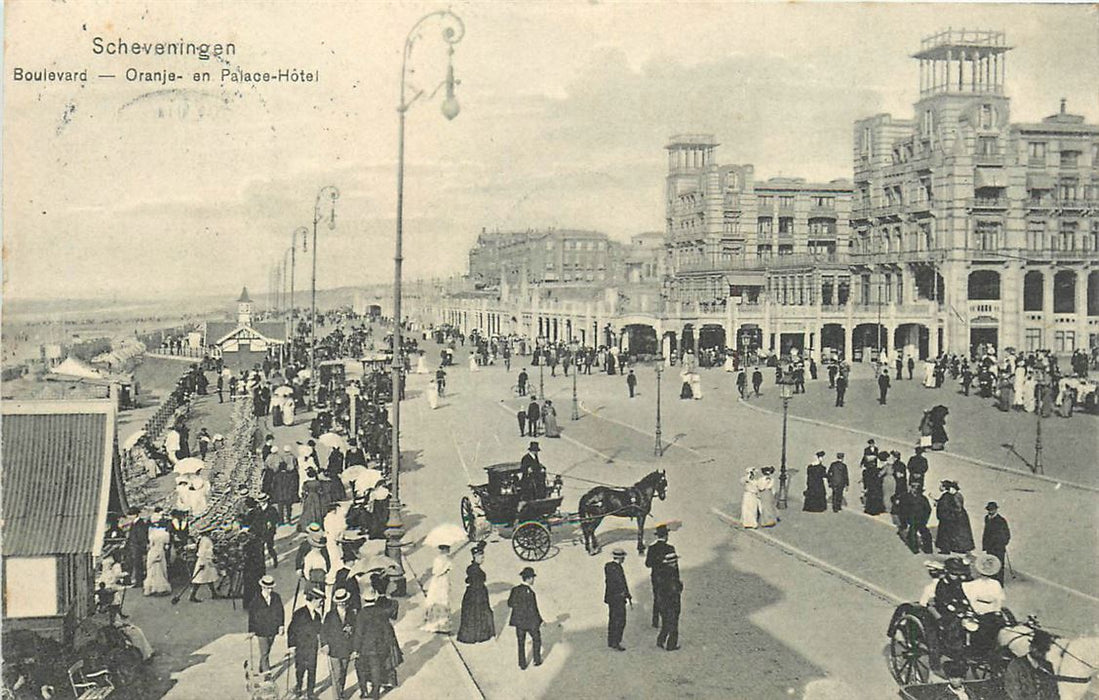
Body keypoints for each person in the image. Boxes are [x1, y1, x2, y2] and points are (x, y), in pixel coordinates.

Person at [1003, 630, 1060, 700]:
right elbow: (1012, 690)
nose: (1042, 653)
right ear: (1031, 648)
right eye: (1039, 649)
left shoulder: (1047, 666)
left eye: (1045, 650)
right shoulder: (1016, 664)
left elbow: (1054, 692)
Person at [322, 588, 357, 700]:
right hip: (334, 650)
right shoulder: (330, 615)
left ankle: (340, 692)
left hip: (347, 649)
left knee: (343, 673)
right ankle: (337, 697)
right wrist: (325, 644)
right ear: (336, 603)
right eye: (340, 602)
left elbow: (356, 631)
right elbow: (323, 632)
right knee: (336, 675)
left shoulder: (352, 614)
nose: (342, 604)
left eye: (344, 602)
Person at [288, 591, 324, 698]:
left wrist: (323, 644)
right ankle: (298, 687)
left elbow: (320, 630)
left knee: (312, 670)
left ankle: (310, 692)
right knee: (300, 669)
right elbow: (291, 630)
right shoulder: (299, 613)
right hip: (301, 647)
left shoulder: (317, 615)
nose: (321, 604)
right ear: (314, 599)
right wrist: (291, 645)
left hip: (312, 647)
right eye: (320, 601)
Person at [457, 542, 494, 644]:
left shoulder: (473, 568)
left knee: (475, 614)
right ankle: (477, 635)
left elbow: (468, 580)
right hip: (477, 593)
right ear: (475, 557)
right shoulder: (474, 569)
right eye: (481, 557)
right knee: (477, 613)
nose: (483, 559)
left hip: (474, 592)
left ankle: (476, 634)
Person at [507, 567, 543, 669]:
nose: (533, 580)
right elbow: (534, 609)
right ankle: (536, 660)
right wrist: (540, 621)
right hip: (530, 622)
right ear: (529, 578)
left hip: (518, 622)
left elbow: (510, 603)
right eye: (532, 578)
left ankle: (522, 664)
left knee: (520, 643)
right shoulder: (530, 593)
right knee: (537, 639)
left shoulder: (515, 590)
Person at [248, 575, 284, 672]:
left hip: (273, 629)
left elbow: (280, 611)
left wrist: (281, 625)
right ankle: (266, 674)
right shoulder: (256, 599)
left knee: (267, 651)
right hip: (261, 630)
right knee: (264, 652)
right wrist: (251, 630)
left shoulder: (276, 597)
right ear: (263, 587)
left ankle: (262, 666)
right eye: (268, 588)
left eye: (271, 588)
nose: (270, 590)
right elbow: (252, 616)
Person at [645, 524, 675, 630]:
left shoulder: (652, 548)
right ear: (666, 536)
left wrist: (657, 562)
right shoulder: (670, 548)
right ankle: (666, 620)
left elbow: (648, 564)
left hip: (656, 577)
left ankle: (655, 620)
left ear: (657, 536)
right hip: (668, 577)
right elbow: (674, 566)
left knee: (657, 597)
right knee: (667, 598)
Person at [935, 481, 975, 555]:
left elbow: (958, 508)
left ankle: (958, 548)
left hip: (958, 517)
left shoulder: (956, 496)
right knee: (956, 533)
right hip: (957, 516)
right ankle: (957, 548)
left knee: (957, 533)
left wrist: (949, 510)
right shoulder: (953, 495)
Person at [654, 548, 683, 651]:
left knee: (666, 623)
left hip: (663, 602)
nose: (675, 563)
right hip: (671, 602)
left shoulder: (662, 572)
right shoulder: (670, 573)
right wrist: (679, 587)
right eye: (674, 562)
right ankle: (671, 645)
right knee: (673, 625)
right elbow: (675, 588)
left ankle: (660, 641)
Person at [422, 544, 453, 634]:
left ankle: (442, 623)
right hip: (439, 581)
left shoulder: (446, 559)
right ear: (442, 549)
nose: (448, 550)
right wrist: (445, 568)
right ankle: (437, 623)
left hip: (444, 581)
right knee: (438, 600)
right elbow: (436, 572)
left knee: (444, 599)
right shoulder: (438, 560)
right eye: (446, 548)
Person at [604, 548, 631, 651]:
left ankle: (611, 641)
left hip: (612, 598)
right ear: (621, 557)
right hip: (617, 598)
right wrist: (623, 593)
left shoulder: (609, 566)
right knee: (620, 620)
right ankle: (616, 641)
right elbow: (619, 583)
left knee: (613, 619)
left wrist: (627, 593)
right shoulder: (616, 568)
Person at [981, 501, 1011, 586]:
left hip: (998, 547)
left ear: (996, 510)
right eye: (989, 510)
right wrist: (985, 545)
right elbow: (986, 533)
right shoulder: (987, 518)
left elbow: (1007, 534)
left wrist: (1003, 543)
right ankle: (992, 581)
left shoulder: (1001, 520)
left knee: (999, 565)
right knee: (991, 564)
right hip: (990, 546)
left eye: (992, 510)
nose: (990, 512)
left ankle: (999, 583)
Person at [188, 530, 220, 602]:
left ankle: (214, 593)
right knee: (199, 578)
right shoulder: (205, 540)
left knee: (210, 577)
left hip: (207, 560)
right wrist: (202, 563)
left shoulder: (205, 539)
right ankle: (192, 596)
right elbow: (202, 552)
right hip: (204, 560)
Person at [144, 518, 172, 596]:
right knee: (160, 570)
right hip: (160, 551)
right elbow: (166, 546)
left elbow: (150, 545)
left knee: (151, 570)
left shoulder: (152, 534)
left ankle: (150, 588)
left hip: (152, 551)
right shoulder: (166, 534)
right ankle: (160, 587)